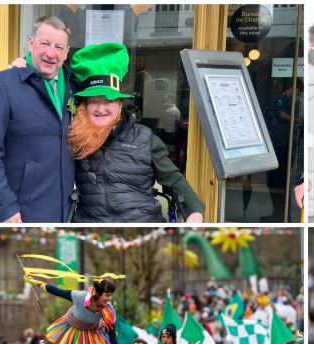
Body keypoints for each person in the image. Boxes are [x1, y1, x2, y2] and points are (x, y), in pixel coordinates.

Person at [11, 42, 205, 223]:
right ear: (83, 107)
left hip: (142, 229)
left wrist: (195, 213)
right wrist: (26, 77)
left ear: (120, 105)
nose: (100, 108)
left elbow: (175, 181)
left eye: (109, 101)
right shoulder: (73, 140)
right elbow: (41, 113)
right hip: (92, 232)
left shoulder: (146, 139)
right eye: (93, 101)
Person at [0, 15, 78, 223]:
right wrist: (5, 207)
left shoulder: (75, 87)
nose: (51, 53)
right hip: (23, 215)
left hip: (68, 212)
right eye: (44, 44)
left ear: (66, 53)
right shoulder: (2, 85)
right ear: (31, 43)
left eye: (59, 47)